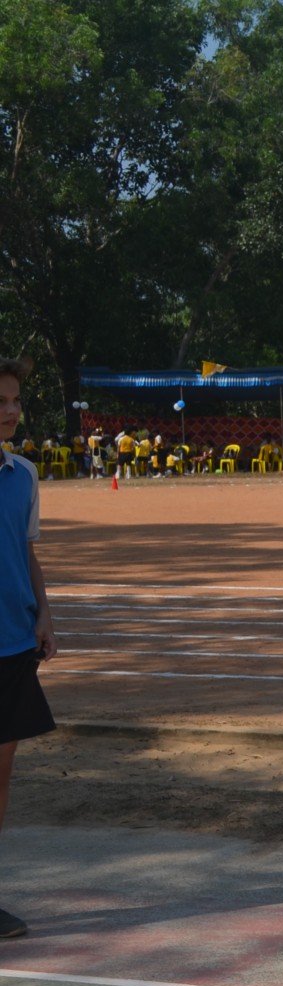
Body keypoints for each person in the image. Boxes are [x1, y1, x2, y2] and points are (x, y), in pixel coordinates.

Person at [0, 360, 59, 939]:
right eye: (1, 401)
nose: (12, 410)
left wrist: (43, 612)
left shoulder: (24, 474)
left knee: (2, 775)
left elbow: (27, 552)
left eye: (15, 400)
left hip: (14, 646)